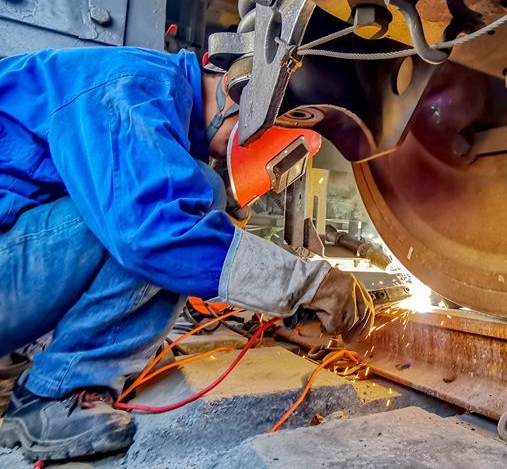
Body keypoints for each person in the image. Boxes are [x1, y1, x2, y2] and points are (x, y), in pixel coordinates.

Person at [0, 46, 375, 461]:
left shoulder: (157, 95)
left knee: (190, 197)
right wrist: (304, 284)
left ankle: (73, 371)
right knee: (169, 214)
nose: (218, 158)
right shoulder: (133, 89)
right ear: (242, 101)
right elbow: (153, 231)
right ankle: (50, 395)